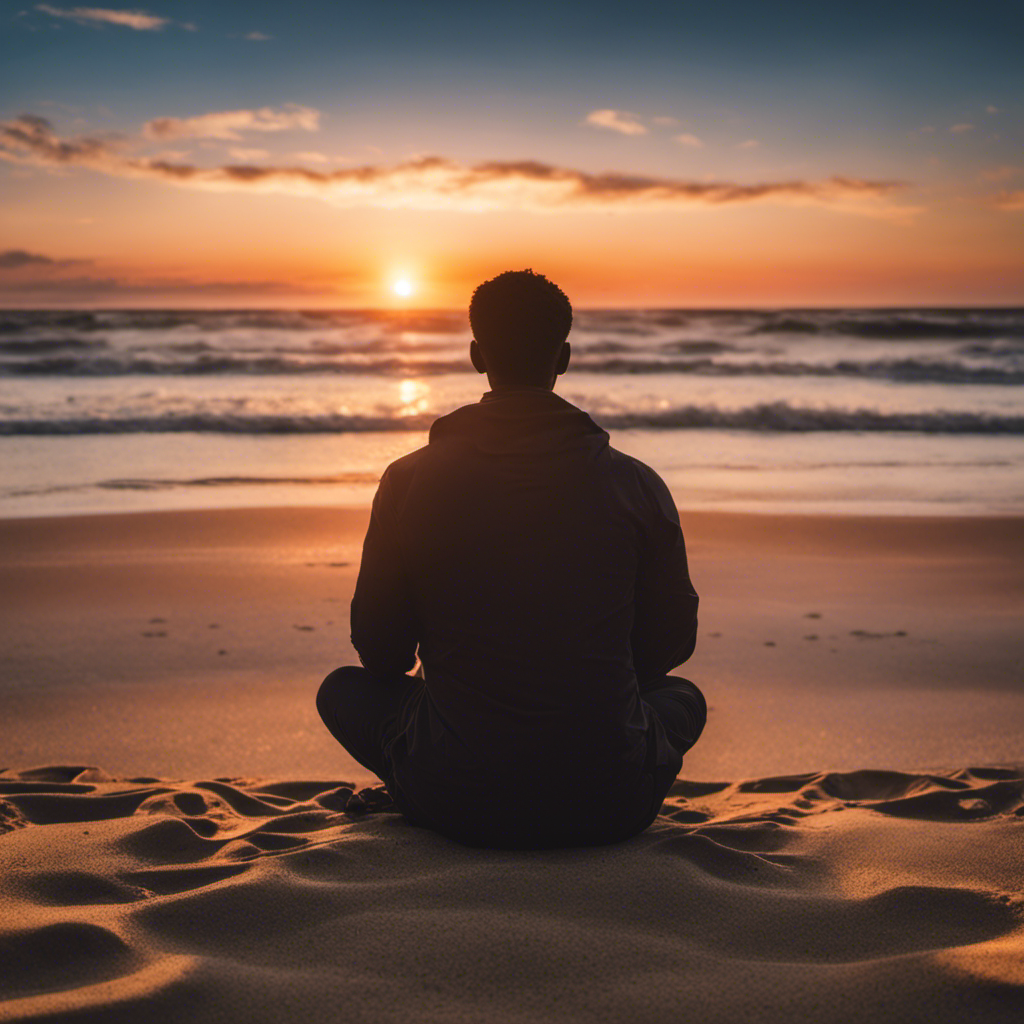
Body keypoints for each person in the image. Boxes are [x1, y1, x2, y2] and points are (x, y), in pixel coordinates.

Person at [317, 270, 706, 848]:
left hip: (455, 796)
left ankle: (413, 786)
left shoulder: (409, 480)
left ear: (477, 356)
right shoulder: (635, 483)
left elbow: (380, 652)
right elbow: (669, 647)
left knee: (342, 691)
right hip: (612, 800)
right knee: (682, 698)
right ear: (565, 357)